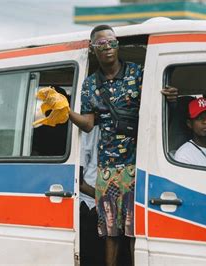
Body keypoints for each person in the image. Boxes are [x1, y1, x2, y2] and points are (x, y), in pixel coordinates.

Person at [68, 24, 177, 266]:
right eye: (102, 44)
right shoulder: (90, 85)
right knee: (110, 231)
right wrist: (65, 111)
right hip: (107, 166)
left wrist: (170, 98)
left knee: (134, 228)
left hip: (139, 164)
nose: (108, 48)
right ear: (93, 49)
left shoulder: (138, 73)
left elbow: (154, 109)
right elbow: (87, 124)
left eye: (112, 42)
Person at [79, 125, 104, 266]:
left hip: (107, 202)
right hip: (90, 203)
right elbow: (78, 181)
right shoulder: (90, 131)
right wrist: (105, 198)